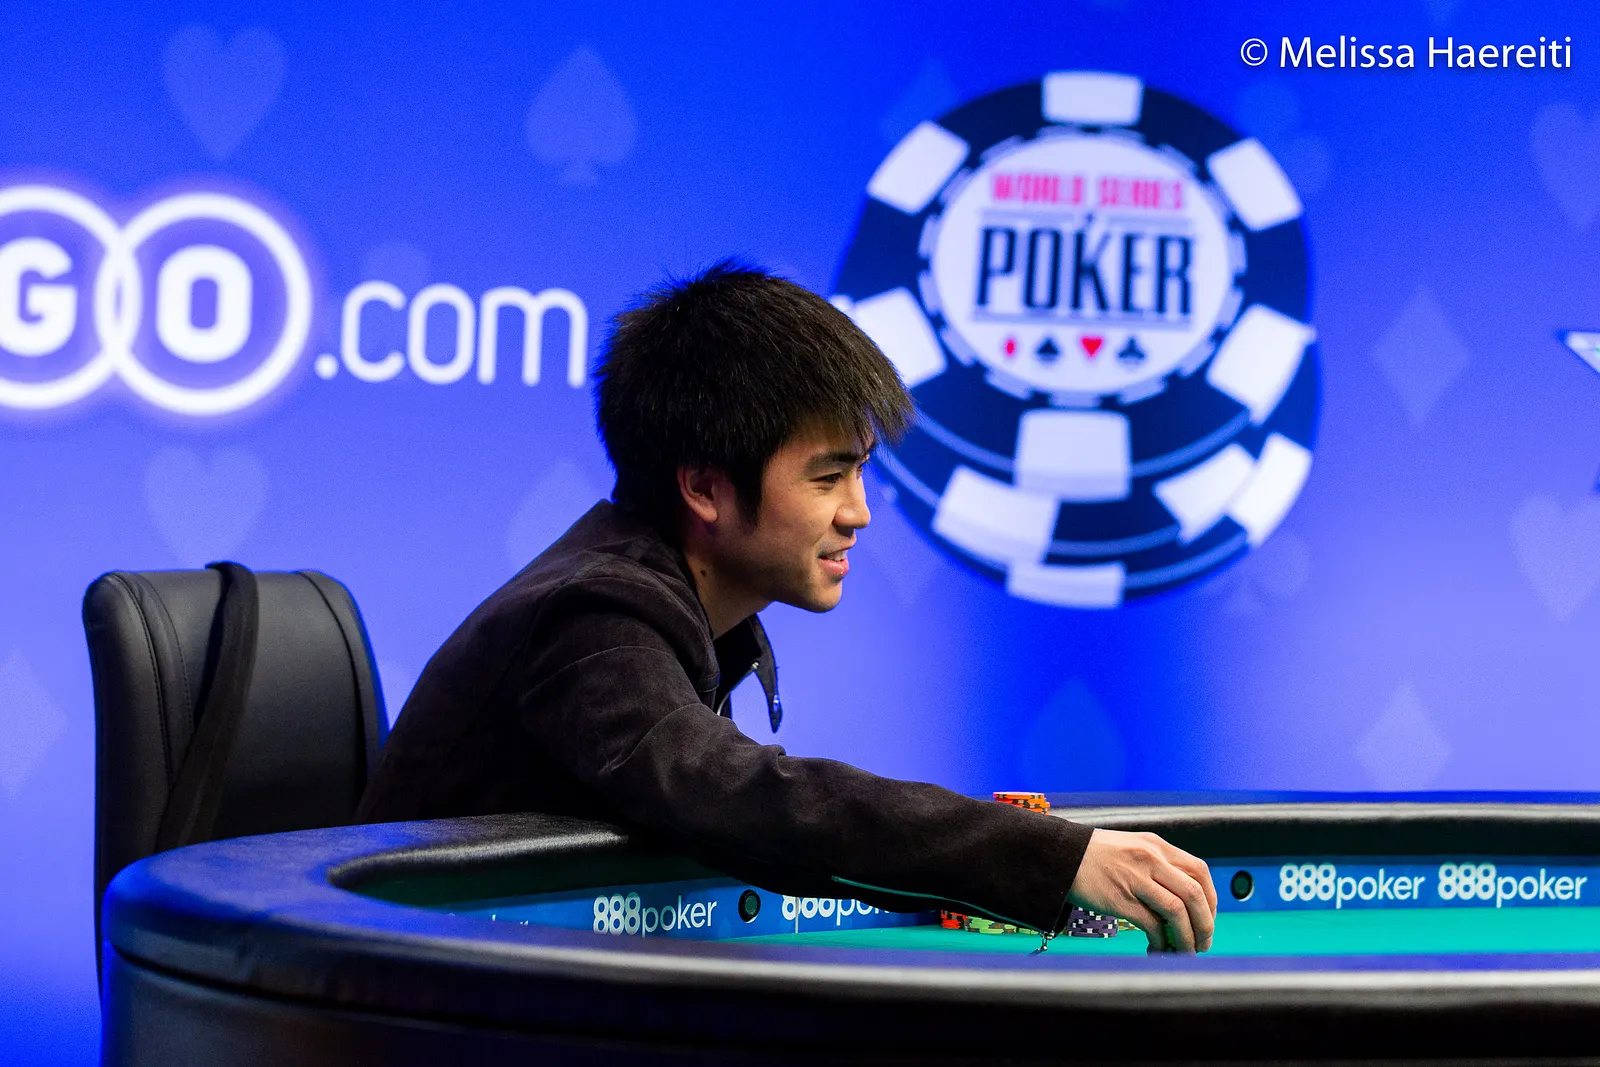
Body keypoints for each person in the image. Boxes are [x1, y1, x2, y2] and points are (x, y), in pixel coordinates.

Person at [357, 261, 1217, 951]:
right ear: (704, 486)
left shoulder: (674, 602)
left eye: (860, 470)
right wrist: (1055, 856)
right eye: (827, 476)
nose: (859, 511)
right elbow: (744, 798)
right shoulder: (593, 616)